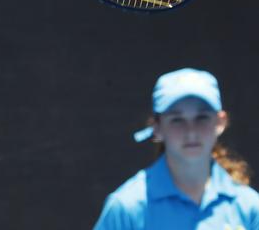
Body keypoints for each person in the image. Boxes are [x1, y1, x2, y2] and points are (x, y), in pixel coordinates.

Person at [94, 68, 259, 230]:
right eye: (177, 120)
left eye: (202, 117)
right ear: (157, 126)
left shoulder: (250, 206)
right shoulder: (126, 207)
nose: (191, 132)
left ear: (220, 122)